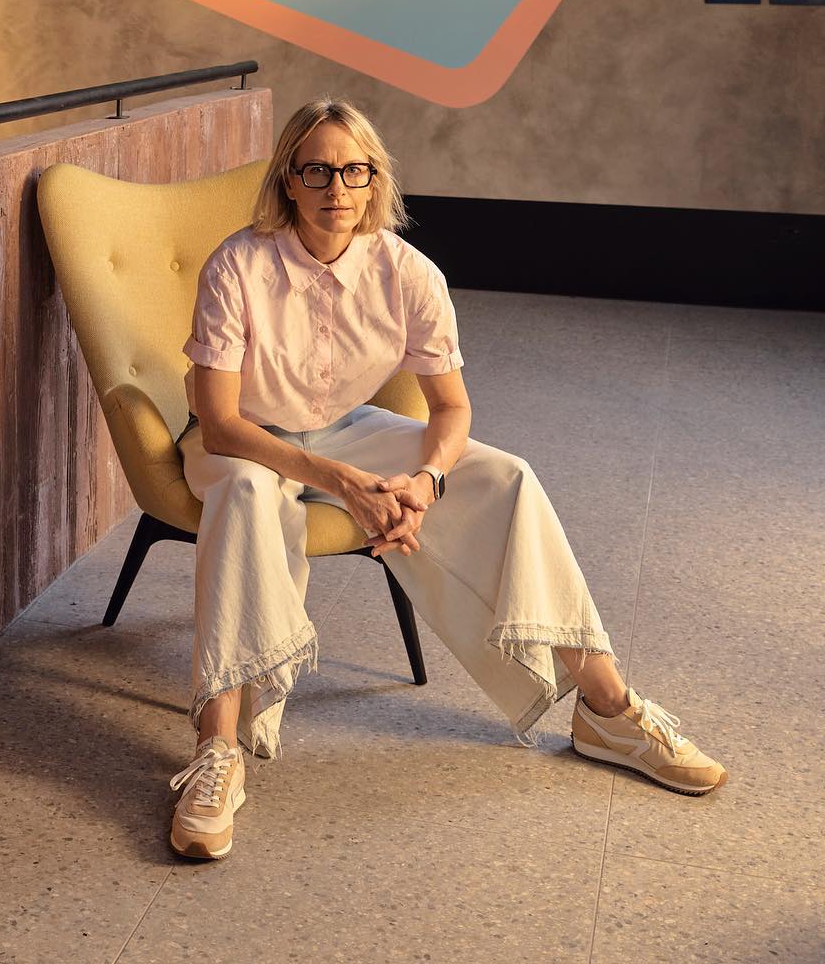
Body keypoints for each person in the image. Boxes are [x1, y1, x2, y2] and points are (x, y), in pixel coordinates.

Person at [168, 98, 726, 861]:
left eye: (354, 169)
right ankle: (217, 748)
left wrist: (425, 482)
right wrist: (340, 478)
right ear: (289, 182)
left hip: (346, 426)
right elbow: (222, 421)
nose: (337, 185)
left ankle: (605, 708)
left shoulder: (409, 273)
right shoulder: (239, 263)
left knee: (505, 476)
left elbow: (451, 408)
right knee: (245, 490)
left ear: (373, 181)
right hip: (239, 440)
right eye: (317, 169)